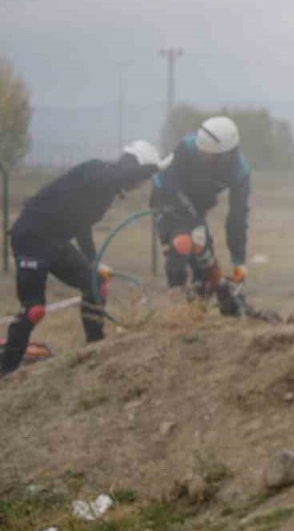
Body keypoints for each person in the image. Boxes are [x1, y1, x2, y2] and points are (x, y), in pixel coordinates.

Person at [3, 141, 171, 374]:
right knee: (34, 309)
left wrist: (92, 260)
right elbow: (108, 178)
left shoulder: (107, 193)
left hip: (55, 241)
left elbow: (81, 224)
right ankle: (7, 368)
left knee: (95, 284)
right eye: (143, 177)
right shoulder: (97, 170)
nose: (141, 184)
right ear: (134, 167)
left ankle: (95, 349)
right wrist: (150, 169)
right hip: (31, 237)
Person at [150, 115, 252, 316]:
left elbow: (237, 218)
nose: (204, 157)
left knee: (204, 262)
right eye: (202, 154)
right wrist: (193, 219)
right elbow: (166, 183)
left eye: (210, 156)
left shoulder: (240, 171)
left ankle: (200, 311)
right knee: (183, 242)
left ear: (227, 154)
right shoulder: (187, 148)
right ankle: (177, 304)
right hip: (168, 200)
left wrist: (238, 259)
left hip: (196, 209)